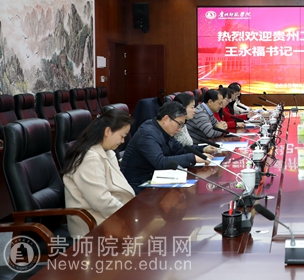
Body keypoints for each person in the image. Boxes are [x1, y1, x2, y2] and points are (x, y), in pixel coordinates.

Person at [62, 109, 135, 238]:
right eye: (122, 136)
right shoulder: (90, 158)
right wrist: (128, 215)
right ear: (107, 131)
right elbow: (101, 200)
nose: (123, 141)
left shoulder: (107, 152)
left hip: (109, 217)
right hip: (93, 224)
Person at [120, 101, 215, 194]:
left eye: (182, 125)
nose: (180, 128)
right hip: (138, 186)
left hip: (155, 180)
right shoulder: (148, 134)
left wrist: (203, 149)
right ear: (166, 119)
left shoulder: (164, 131)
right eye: (179, 124)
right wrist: (193, 158)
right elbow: (160, 162)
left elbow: (181, 149)